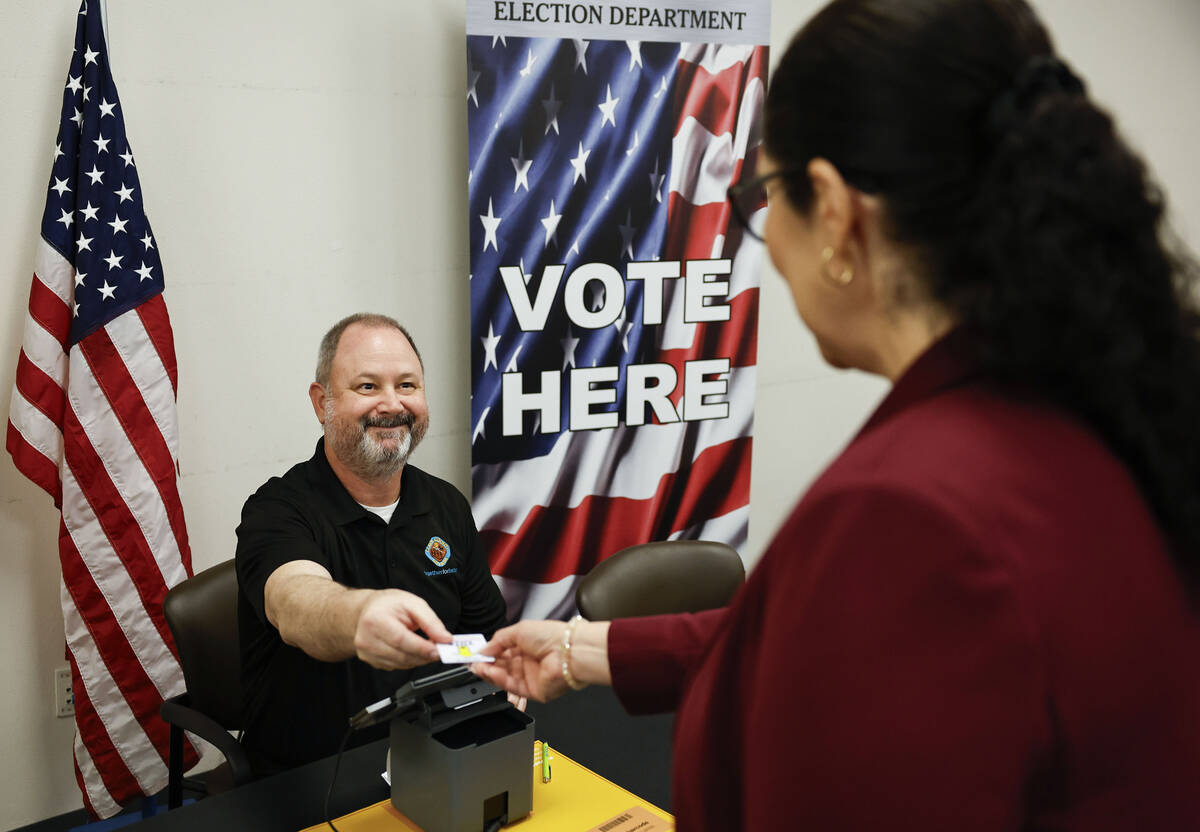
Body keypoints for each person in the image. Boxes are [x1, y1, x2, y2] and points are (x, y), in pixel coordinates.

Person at [471, 0, 1200, 828]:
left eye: (764, 196)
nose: (767, 238)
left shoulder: (909, 514)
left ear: (836, 209)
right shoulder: (1101, 412)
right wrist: (583, 650)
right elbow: (843, 661)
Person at [235, 313, 507, 772]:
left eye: (407, 385)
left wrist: (503, 675)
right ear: (322, 403)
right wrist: (359, 615)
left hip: (436, 759)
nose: (392, 404)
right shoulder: (276, 509)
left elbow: (483, 636)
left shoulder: (447, 505)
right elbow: (294, 600)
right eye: (367, 387)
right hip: (313, 780)